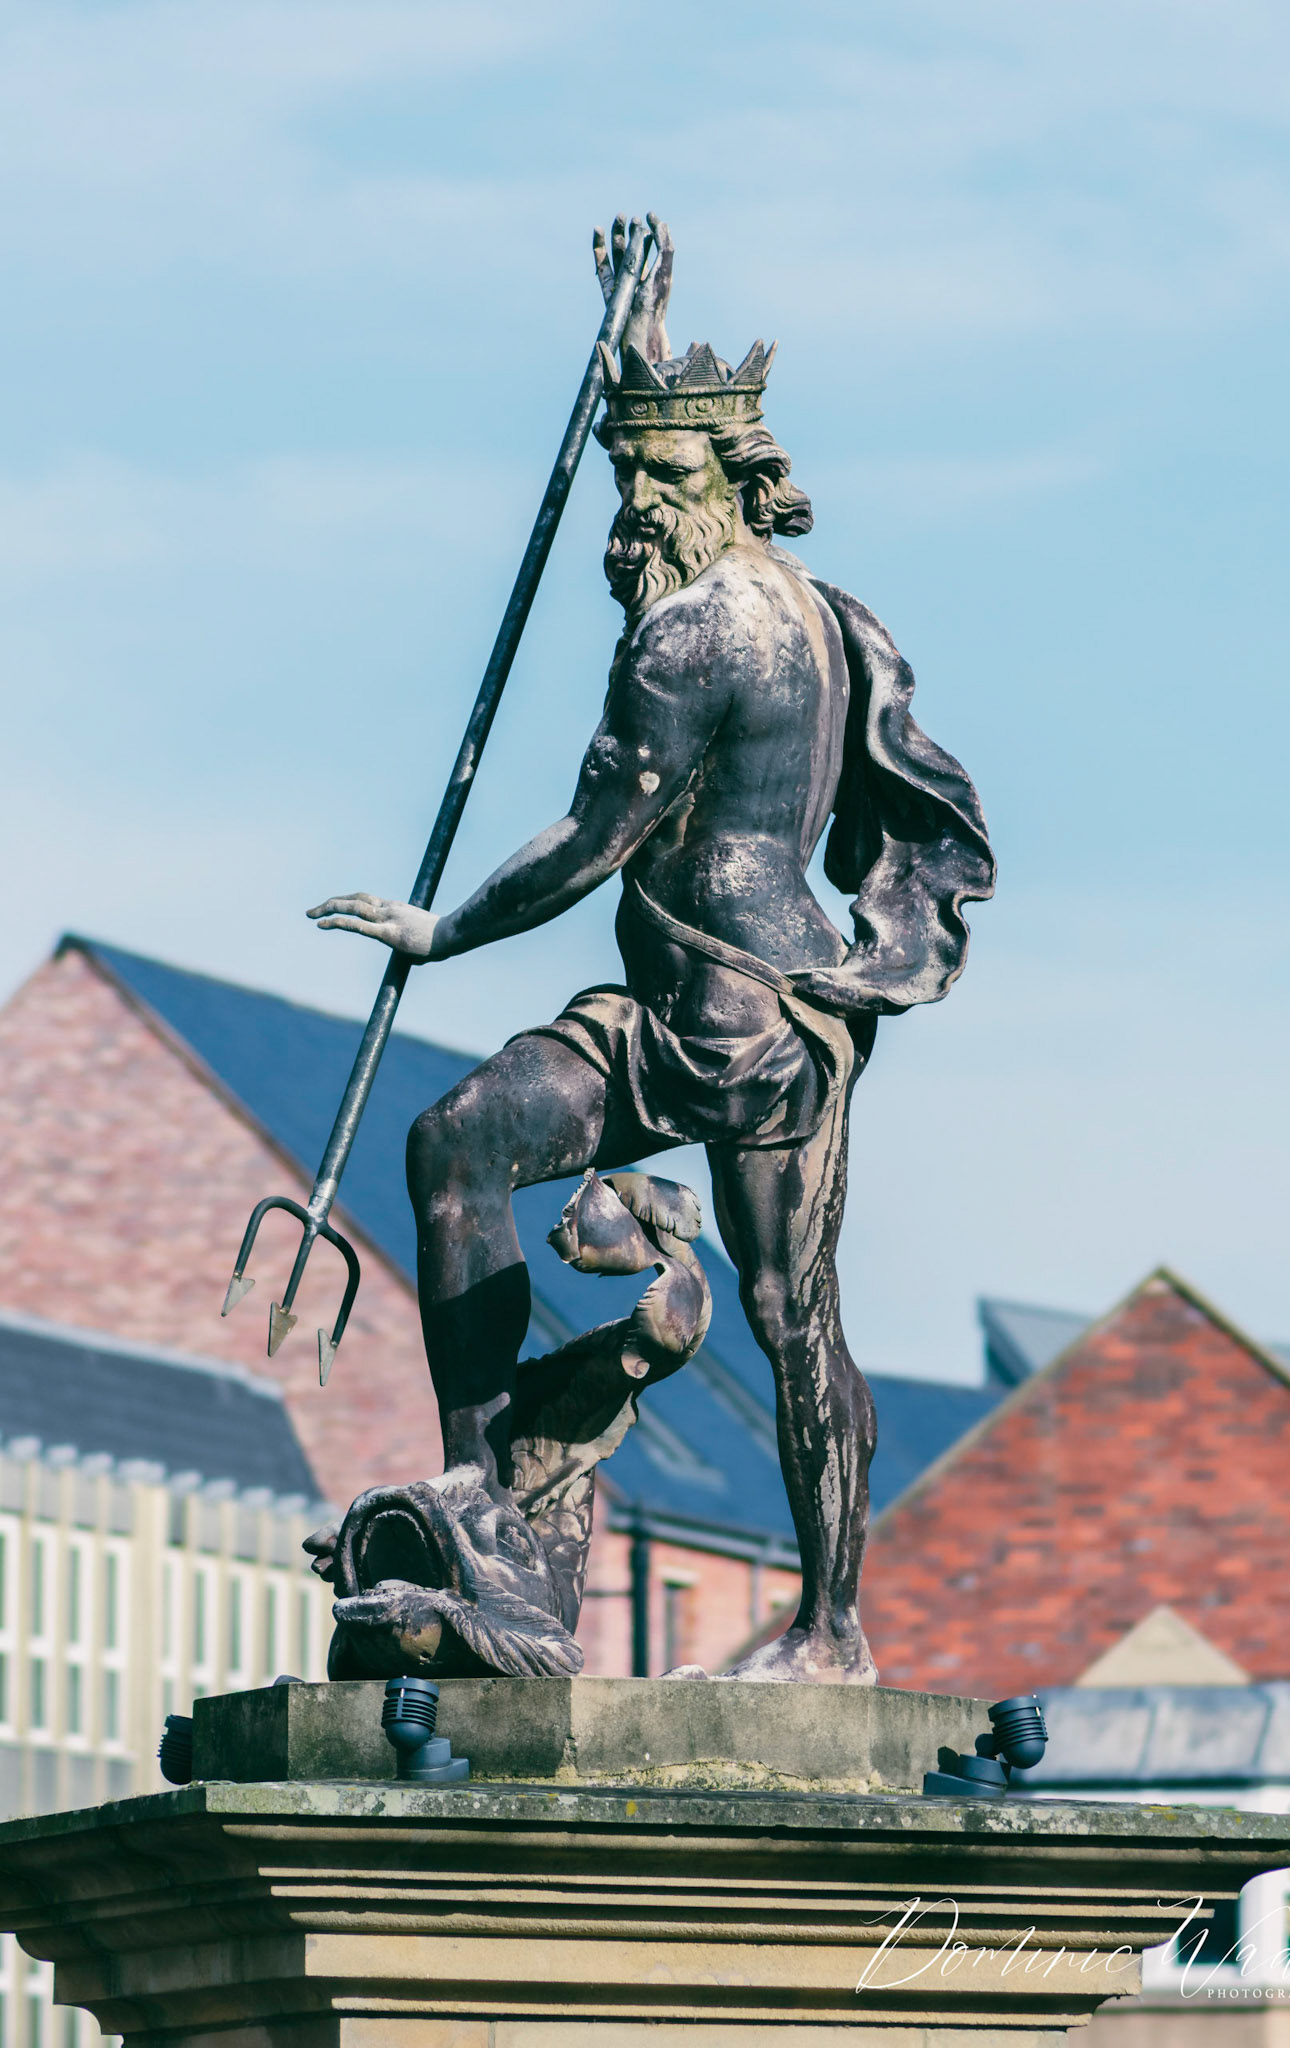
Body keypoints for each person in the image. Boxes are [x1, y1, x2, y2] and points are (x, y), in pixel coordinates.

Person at [309, 219, 994, 1682]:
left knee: (781, 1304)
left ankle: (827, 1628)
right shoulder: (811, 607)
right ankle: (484, 1500)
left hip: (755, 1025)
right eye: (626, 473)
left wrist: (441, 932)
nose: (636, 503)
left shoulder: (695, 635)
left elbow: (589, 837)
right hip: (661, 1003)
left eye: (664, 481)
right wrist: (636, 329)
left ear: (733, 486)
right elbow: (660, 432)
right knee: (459, 1142)